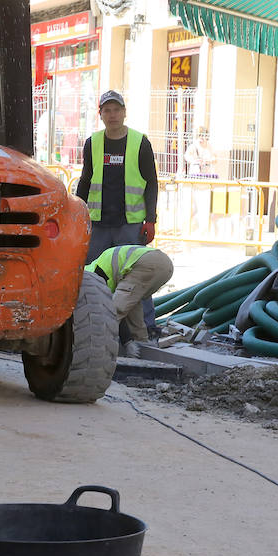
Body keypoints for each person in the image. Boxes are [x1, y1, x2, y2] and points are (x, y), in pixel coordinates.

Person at [75, 90, 161, 340]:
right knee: (92, 275)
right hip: (99, 223)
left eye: (116, 110)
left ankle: (145, 327)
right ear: (100, 114)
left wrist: (151, 220)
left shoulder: (139, 142)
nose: (112, 115)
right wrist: (77, 213)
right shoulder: (93, 142)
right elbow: (85, 180)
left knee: (137, 276)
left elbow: (151, 183)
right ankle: (88, 323)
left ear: (124, 112)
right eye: (107, 110)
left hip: (129, 224)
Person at [85, 245, 174, 358]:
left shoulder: (91, 277)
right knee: (132, 307)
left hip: (147, 264)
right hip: (163, 265)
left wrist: (126, 341)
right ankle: (141, 341)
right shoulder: (98, 267)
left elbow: (113, 310)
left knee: (111, 311)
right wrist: (130, 340)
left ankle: (95, 349)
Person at [181, 127, 217, 235]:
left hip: (206, 181)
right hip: (195, 180)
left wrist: (207, 161)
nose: (201, 138)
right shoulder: (193, 146)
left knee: (205, 206)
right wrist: (195, 161)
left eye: (203, 136)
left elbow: (215, 159)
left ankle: (204, 230)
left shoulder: (210, 147)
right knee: (193, 206)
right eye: (199, 136)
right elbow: (186, 156)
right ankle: (192, 229)